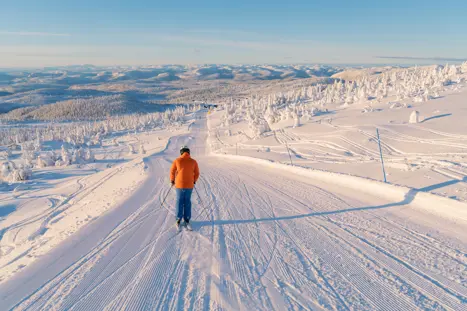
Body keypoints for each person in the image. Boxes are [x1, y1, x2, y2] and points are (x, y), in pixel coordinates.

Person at [170, 145, 200, 230]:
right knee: (187, 201)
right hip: (189, 185)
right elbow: (197, 173)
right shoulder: (193, 161)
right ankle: (187, 219)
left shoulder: (177, 160)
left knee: (179, 201)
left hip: (179, 185)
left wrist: (172, 180)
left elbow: (172, 171)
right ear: (188, 152)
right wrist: (194, 180)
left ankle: (178, 219)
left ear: (181, 152)